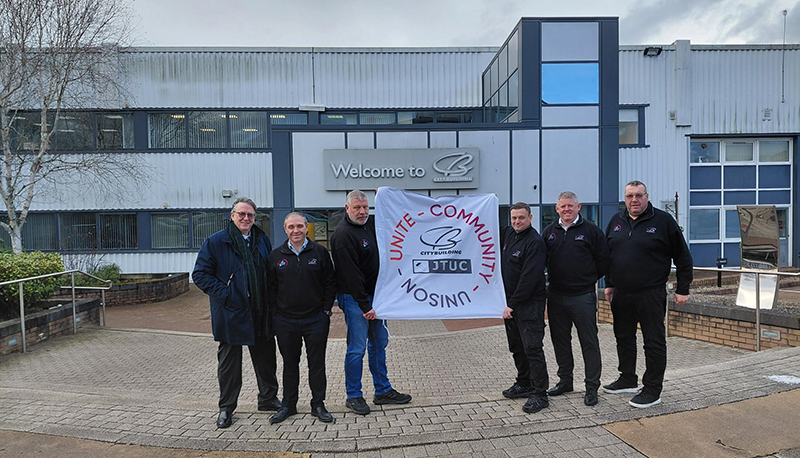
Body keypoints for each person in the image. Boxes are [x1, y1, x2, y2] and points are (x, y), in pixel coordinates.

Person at [603, 180, 693, 408]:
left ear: (647, 196)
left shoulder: (663, 221)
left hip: (650, 293)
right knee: (623, 338)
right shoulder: (616, 221)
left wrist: (683, 289)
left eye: (639, 195)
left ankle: (652, 389)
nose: (634, 200)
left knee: (653, 342)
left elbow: (683, 257)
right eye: (630, 196)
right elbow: (610, 256)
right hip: (621, 293)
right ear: (625, 198)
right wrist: (609, 284)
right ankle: (627, 378)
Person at [192, 198, 280, 429]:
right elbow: (200, 275)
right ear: (232, 215)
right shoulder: (216, 242)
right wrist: (227, 295)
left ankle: (268, 399)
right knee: (230, 364)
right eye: (241, 214)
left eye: (250, 215)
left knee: (266, 359)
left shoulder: (261, 239)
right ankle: (226, 408)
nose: (246, 218)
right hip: (232, 311)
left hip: (260, 310)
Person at [329, 190, 412, 415]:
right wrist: (365, 306)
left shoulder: (370, 225)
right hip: (357, 299)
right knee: (357, 348)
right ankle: (353, 395)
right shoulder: (343, 235)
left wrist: (385, 196)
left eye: (365, 207)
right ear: (347, 208)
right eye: (357, 207)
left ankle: (382, 391)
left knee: (379, 344)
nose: (362, 211)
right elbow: (350, 274)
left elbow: (394, 215)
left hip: (378, 297)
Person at [267, 213, 336, 424]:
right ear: (285, 229)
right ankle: (289, 404)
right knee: (290, 364)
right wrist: (275, 315)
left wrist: (325, 311)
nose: (295, 230)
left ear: (307, 228)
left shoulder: (320, 252)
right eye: (291, 227)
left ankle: (318, 404)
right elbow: (270, 289)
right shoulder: (276, 255)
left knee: (316, 364)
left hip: (315, 319)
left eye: (299, 226)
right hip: (286, 321)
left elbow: (330, 283)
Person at [542, 191, 610, 406]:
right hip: (556, 296)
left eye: (570, 206)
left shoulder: (591, 231)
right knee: (560, 341)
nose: (567, 209)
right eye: (563, 206)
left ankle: (591, 387)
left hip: (582, 296)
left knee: (588, 342)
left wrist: (587, 278)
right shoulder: (549, 232)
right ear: (557, 209)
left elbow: (604, 261)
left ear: (578, 207)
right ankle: (565, 381)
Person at [500, 202, 550, 414]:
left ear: (530, 218)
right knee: (517, 347)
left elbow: (528, 278)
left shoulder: (535, 242)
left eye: (521, 218)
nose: (517, 222)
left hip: (528, 304)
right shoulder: (510, 235)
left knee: (532, 348)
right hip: (511, 303)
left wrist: (512, 304)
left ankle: (540, 394)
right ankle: (524, 383)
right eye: (513, 218)